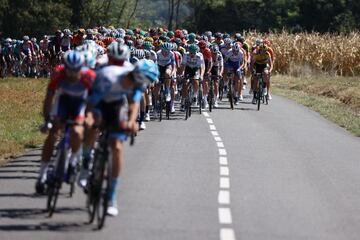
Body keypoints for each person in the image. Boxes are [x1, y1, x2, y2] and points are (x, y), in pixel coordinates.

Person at [83, 56, 159, 216]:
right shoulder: (109, 77)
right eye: (145, 82)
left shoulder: (137, 84)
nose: (145, 86)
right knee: (93, 125)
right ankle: (85, 162)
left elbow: (133, 103)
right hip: (99, 100)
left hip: (118, 105)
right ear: (138, 77)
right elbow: (92, 103)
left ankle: (111, 197)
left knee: (117, 146)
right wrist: (90, 117)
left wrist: (132, 122)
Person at [35, 50, 96, 194]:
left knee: (76, 131)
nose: (73, 74)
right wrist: (47, 120)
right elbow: (49, 98)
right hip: (63, 102)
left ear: (82, 67)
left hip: (80, 103)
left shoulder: (89, 76)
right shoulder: (58, 73)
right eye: (70, 70)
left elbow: (92, 102)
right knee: (53, 135)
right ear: (65, 67)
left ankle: (74, 161)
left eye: (76, 70)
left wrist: (88, 118)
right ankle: (42, 174)